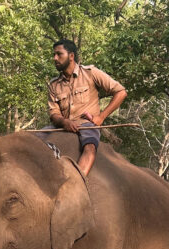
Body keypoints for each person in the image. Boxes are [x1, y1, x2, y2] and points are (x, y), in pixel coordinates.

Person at [47, 39, 127, 175]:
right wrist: (64, 121)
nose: (55, 58)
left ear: (71, 56)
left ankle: (77, 182)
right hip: (62, 126)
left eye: (59, 54)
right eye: (54, 55)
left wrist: (101, 117)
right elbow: (53, 112)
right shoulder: (53, 84)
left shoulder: (91, 73)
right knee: (33, 138)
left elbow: (121, 92)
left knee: (89, 148)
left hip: (86, 125)